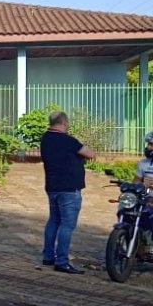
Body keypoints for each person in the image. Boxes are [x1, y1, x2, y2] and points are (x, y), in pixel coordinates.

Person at [40, 111, 96, 274]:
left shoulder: (45, 139)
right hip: (69, 188)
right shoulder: (69, 141)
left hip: (52, 186)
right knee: (67, 224)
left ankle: (48, 256)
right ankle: (62, 261)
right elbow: (90, 154)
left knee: (54, 221)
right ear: (64, 123)